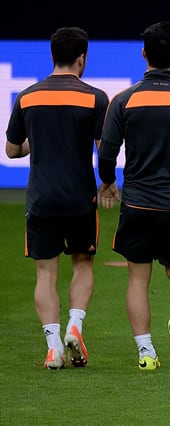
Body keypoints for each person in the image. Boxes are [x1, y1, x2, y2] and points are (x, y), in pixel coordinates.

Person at [97, 21, 170, 370]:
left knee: (137, 278)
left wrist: (108, 182)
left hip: (136, 203)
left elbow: (106, 153)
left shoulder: (124, 100)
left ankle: (146, 352)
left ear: (144, 53)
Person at [5, 27, 109, 369]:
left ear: (52, 56)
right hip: (80, 197)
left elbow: (12, 149)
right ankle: (75, 327)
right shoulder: (95, 97)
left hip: (41, 199)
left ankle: (53, 348)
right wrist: (109, 184)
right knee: (82, 264)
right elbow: (102, 148)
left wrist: (41, 139)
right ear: (82, 59)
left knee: (45, 274)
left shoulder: (27, 96)